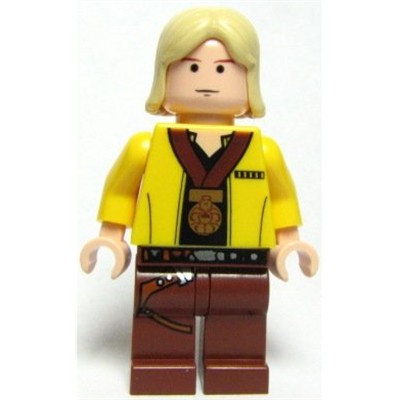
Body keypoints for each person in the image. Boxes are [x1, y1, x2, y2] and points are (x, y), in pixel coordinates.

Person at [80, 7, 318, 395]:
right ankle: (161, 366)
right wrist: (110, 237)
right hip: (164, 255)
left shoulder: (264, 152)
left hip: (241, 261)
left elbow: (280, 201)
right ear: (164, 74)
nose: (207, 81)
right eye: (192, 68)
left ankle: (236, 367)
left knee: (239, 316)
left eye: (222, 69)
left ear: (249, 80)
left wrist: (289, 243)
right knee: (160, 313)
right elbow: (121, 191)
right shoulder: (146, 147)